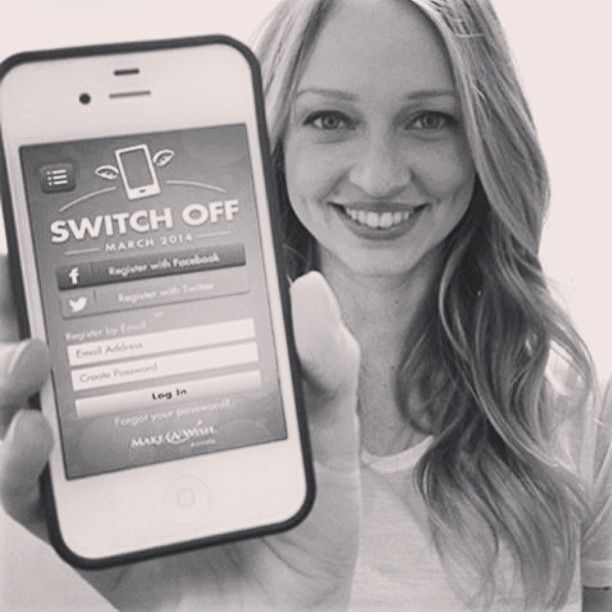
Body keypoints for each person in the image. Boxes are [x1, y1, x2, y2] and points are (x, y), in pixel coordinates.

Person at [1, 0, 611, 609]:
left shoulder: (581, 415)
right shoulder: (171, 442)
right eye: (330, 119)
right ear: (277, 139)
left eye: (429, 120)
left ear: (486, 140)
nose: (378, 177)